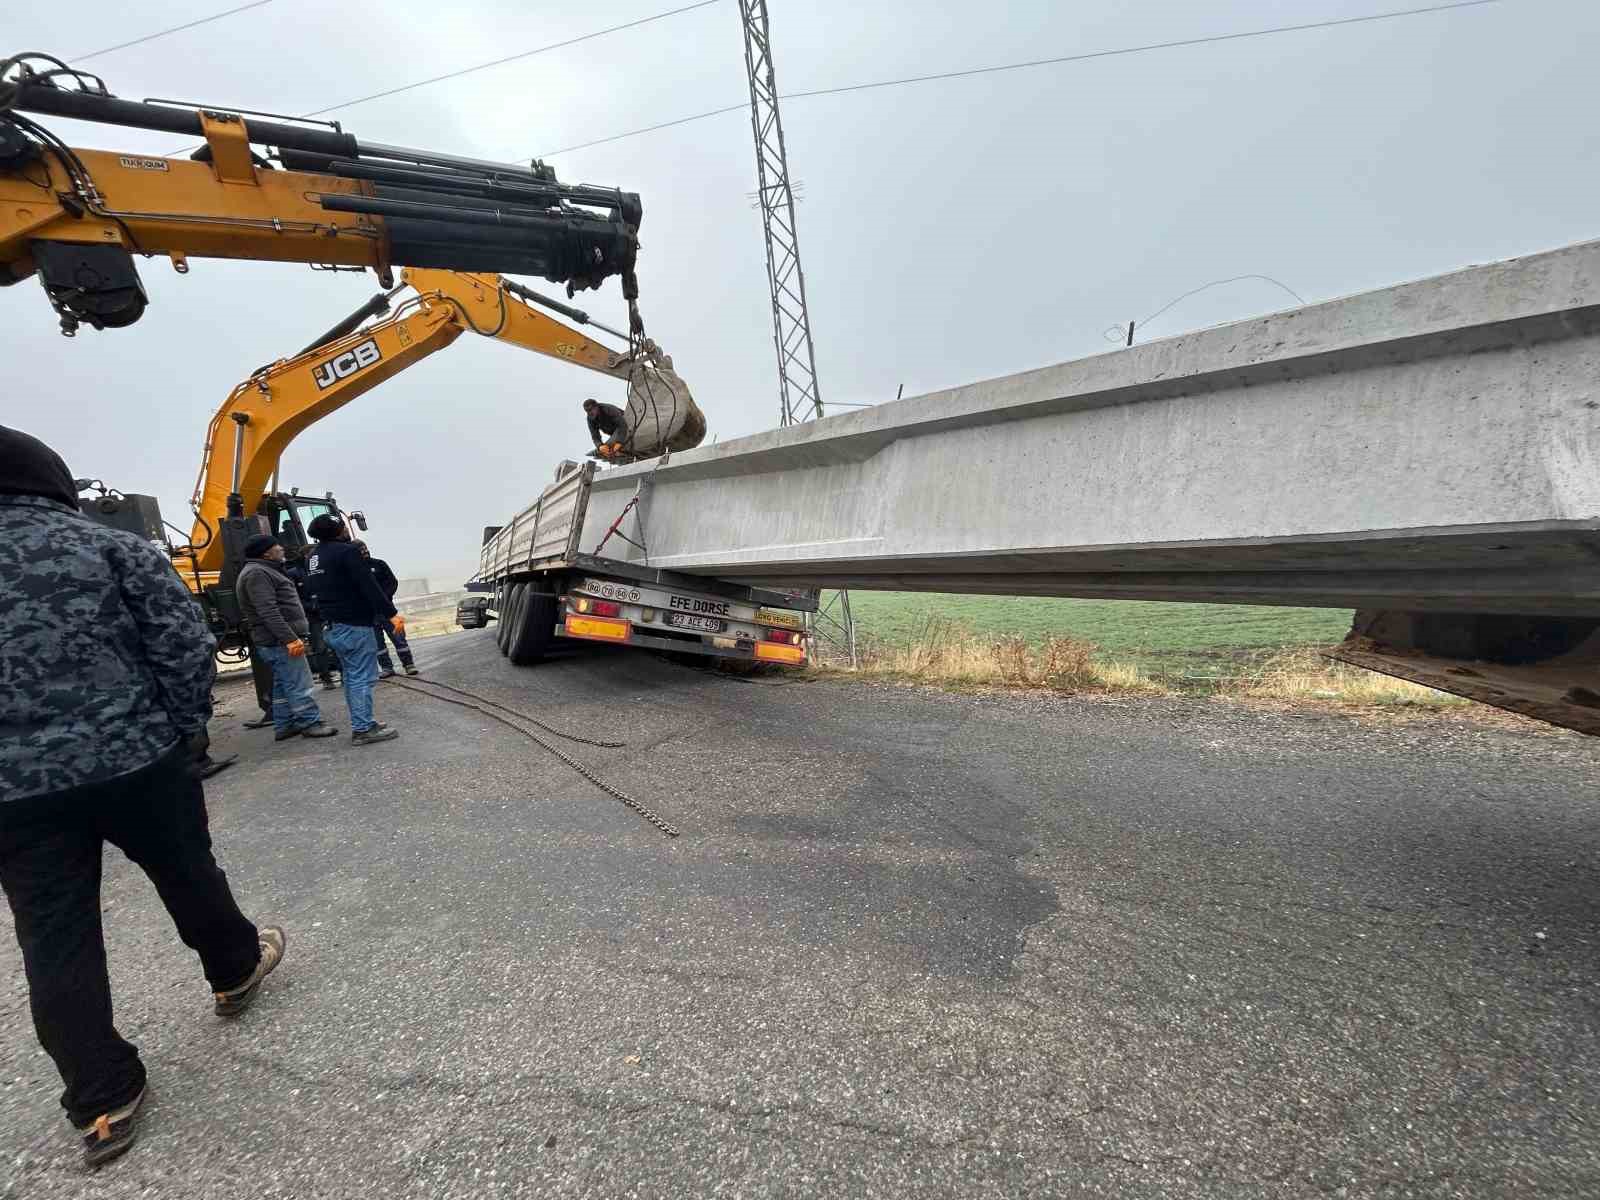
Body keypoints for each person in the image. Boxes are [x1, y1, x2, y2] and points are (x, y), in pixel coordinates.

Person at [0, 425, 286, 1167]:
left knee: (53, 935)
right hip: (135, 760)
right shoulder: (111, 546)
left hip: (14, 795)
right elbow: (183, 645)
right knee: (188, 872)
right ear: (52, 480)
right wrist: (183, 732)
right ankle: (233, 970)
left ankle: (102, 1099)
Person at [302, 513, 402, 746]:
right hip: (354, 624)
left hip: (333, 624)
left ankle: (364, 721)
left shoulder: (313, 557)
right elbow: (369, 585)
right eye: (343, 527)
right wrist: (391, 614)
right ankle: (363, 728)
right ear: (338, 531)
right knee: (362, 678)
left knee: (351, 677)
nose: (346, 531)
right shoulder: (346, 552)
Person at [235, 534, 339, 742]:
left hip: (276, 640)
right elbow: (268, 611)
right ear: (266, 552)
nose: (282, 549)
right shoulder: (258, 573)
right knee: (300, 683)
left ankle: (285, 725)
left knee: (283, 684)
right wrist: (289, 638)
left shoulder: (262, 570)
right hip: (279, 641)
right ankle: (311, 723)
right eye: (277, 546)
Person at [354, 539, 418, 678]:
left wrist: (384, 598)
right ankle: (387, 668)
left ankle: (409, 665)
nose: (364, 551)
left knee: (399, 638)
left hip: (387, 610)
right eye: (360, 549)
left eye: (365, 547)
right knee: (377, 644)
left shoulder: (379, 564)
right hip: (369, 614)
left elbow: (392, 582)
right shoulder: (354, 570)